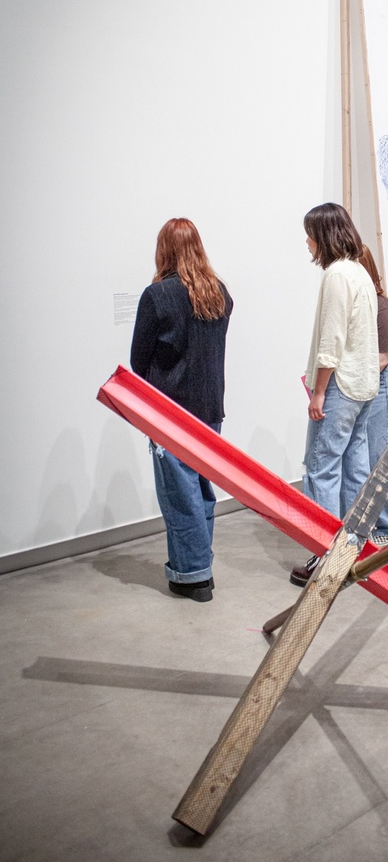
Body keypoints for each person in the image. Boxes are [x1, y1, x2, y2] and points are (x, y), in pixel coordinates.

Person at [130, 218, 233, 601]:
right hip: (210, 409)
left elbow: (138, 361)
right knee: (201, 491)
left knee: (179, 495)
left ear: (164, 250)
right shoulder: (220, 294)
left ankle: (192, 576)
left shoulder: (156, 296)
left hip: (170, 413)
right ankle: (198, 568)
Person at [290, 204, 379, 587]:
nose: (307, 242)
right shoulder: (359, 271)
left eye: (310, 234)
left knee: (322, 469)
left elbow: (332, 339)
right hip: (363, 386)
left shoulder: (337, 275)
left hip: (340, 387)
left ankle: (324, 557)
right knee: (355, 470)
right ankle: (352, 552)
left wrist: (318, 392)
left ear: (323, 236)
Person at [357, 243, 388, 544]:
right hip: (362, 385)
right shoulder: (362, 305)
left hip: (379, 386)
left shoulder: (381, 308)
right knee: (363, 460)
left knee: (379, 459)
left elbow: (382, 358)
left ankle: (387, 527)